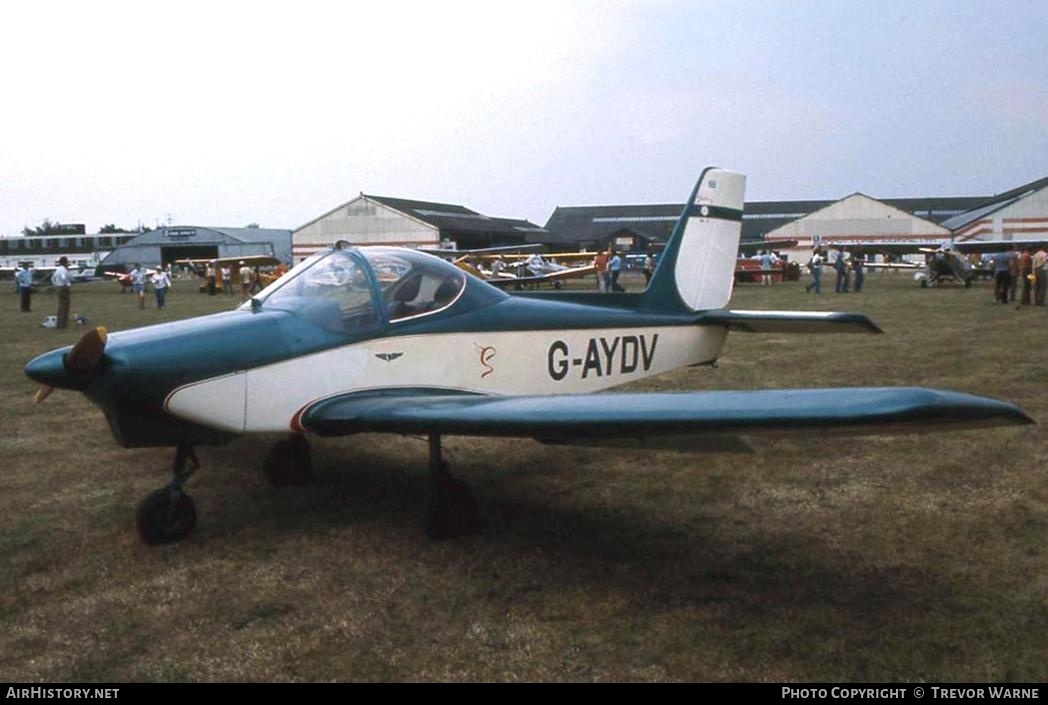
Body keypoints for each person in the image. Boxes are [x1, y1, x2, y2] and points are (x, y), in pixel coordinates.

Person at [51, 256, 72, 329]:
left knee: (60, 306)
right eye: (67, 262)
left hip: (58, 287)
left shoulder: (57, 270)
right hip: (63, 288)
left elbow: (52, 278)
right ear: (64, 262)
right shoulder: (63, 270)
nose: (68, 263)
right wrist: (67, 285)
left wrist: (55, 285)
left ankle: (59, 324)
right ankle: (63, 325)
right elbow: (63, 278)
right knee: (65, 307)